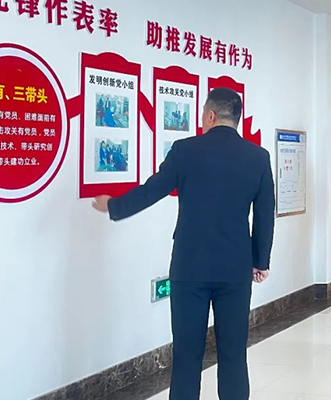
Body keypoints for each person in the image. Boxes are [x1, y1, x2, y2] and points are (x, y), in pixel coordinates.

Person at [91, 88, 275, 400]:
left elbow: (152, 190)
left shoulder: (185, 150)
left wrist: (114, 206)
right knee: (233, 354)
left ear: (211, 115)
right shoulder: (258, 157)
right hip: (235, 269)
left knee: (187, 356)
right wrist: (260, 261)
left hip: (190, 268)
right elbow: (265, 214)